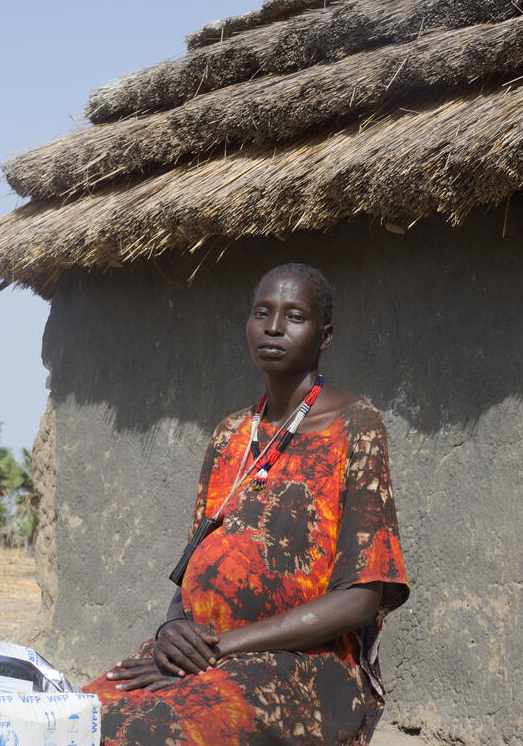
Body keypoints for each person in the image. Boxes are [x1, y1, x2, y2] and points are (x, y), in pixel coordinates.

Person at [83, 263, 410, 745]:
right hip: (201, 651)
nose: (274, 327)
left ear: (325, 335)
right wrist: (172, 630)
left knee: (153, 732)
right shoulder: (231, 434)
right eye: (262, 312)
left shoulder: (355, 426)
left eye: (294, 316)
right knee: (78, 718)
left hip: (303, 667)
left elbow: (361, 598)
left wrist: (222, 650)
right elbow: (195, 563)